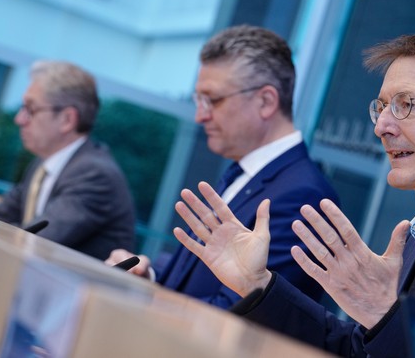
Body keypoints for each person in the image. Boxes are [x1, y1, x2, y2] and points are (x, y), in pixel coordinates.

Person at [172, 30, 415, 356]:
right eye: (382, 107)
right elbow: (359, 349)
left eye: (407, 105)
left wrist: (387, 317)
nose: (382, 126)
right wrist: (257, 285)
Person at [107, 25, 339, 308]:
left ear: (265, 101)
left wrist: (145, 302)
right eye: (198, 100)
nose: (200, 116)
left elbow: (240, 312)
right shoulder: (245, 173)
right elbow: (195, 271)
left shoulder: (304, 196)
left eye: (212, 100)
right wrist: (149, 274)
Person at [0, 60, 136, 260]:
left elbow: (36, 240)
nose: (19, 119)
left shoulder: (95, 174)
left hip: (83, 290)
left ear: (67, 119)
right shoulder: (42, 164)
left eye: (30, 109)